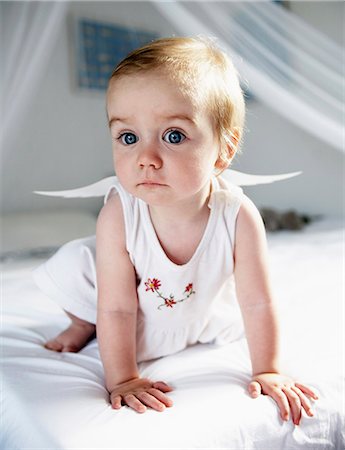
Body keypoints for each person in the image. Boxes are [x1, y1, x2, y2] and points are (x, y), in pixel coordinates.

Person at [33, 36, 318, 423]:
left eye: (173, 136)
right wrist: (123, 379)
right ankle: (84, 322)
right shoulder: (120, 213)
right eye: (128, 138)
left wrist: (266, 369)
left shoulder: (238, 216)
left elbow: (257, 302)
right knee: (76, 263)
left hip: (192, 310)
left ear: (224, 150)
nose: (146, 159)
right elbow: (116, 306)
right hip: (115, 303)